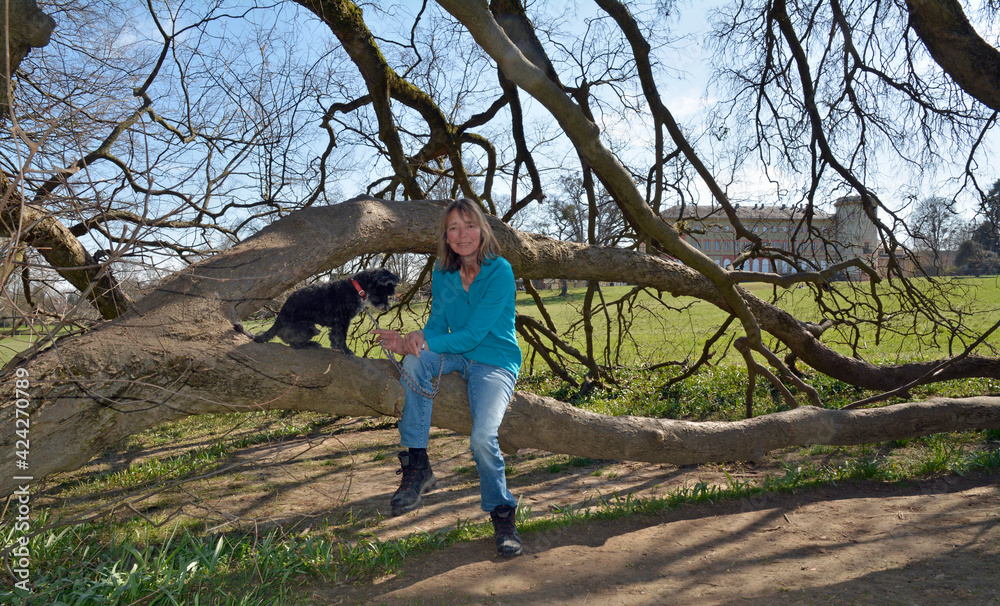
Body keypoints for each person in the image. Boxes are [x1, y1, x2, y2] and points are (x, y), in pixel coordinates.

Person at [372, 198, 523, 557]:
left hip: (494, 362)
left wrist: (420, 342)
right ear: (446, 236)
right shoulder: (442, 274)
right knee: (414, 364)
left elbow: (473, 334)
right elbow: (438, 325)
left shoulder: (500, 271)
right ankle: (419, 465)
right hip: (457, 355)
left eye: (469, 225)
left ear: (482, 230)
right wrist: (414, 343)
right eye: (453, 228)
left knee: (483, 439)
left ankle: (502, 512)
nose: (462, 234)